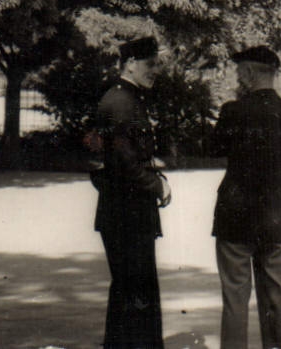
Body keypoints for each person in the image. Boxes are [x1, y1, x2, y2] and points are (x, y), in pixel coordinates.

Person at [210, 44, 281, 349]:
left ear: (250, 72)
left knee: (236, 297)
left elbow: (213, 148)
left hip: (235, 214)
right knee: (280, 295)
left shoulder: (233, 111)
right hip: (277, 214)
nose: (237, 77)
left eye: (240, 71)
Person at [93, 36, 171, 349]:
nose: (156, 71)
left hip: (125, 211)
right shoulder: (122, 102)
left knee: (131, 291)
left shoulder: (125, 98)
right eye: (150, 65)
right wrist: (157, 184)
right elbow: (124, 161)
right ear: (130, 64)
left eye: (156, 64)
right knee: (136, 291)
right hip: (127, 212)